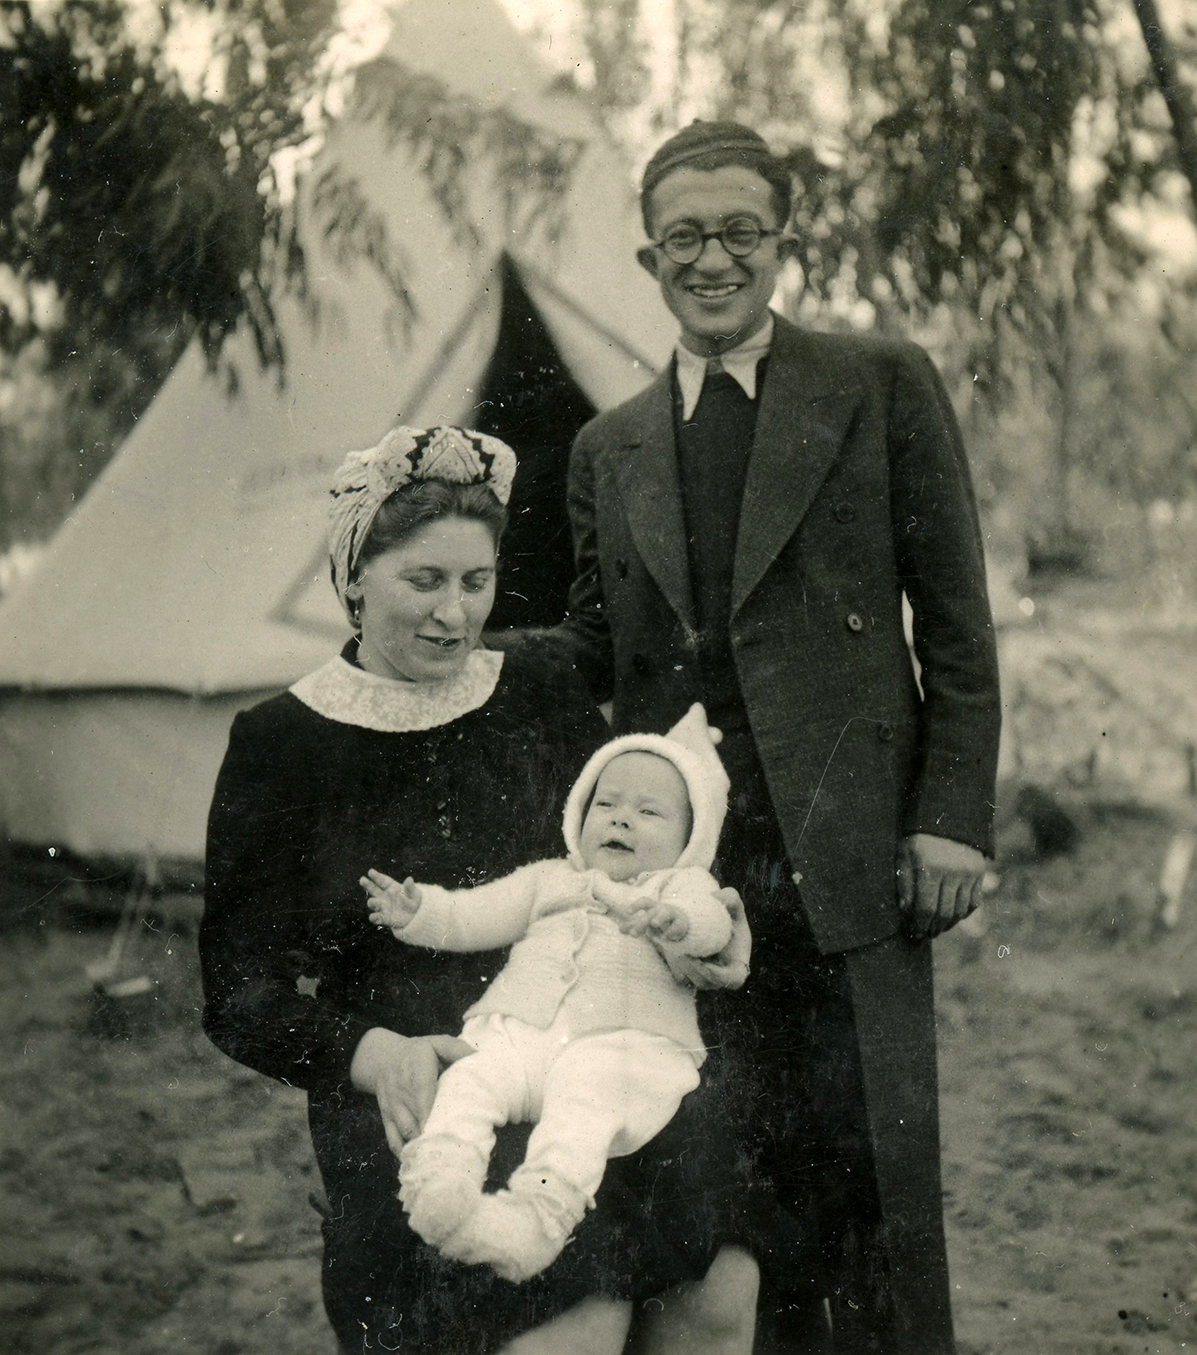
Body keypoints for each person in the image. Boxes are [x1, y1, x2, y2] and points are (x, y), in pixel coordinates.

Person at [508, 121, 1003, 1354]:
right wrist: (458, 652)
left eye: (741, 230)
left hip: (849, 852)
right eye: (685, 237)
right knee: (717, 1186)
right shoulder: (608, 446)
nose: (713, 258)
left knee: (867, 1182)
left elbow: (955, 621)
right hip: (687, 880)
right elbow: (594, 643)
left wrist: (951, 816)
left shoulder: (879, 384)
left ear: (784, 242)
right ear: (648, 257)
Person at [199, 424, 750, 1355]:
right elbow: (237, 996)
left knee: (720, 1287)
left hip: (593, 1051)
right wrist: (374, 1054)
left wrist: (703, 928)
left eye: (475, 582)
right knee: (576, 1321)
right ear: (354, 579)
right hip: (423, 1088)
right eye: (423, 581)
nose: (453, 615)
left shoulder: (535, 685)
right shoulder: (280, 743)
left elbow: (624, 858)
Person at [362, 704, 737, 1284]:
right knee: (470, 1077)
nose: (621, 819)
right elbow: (475, 914)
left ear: (692, 839)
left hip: (622, 1046)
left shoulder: (681, 884)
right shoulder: (549, 877)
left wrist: (679, 922)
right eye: (605, 804)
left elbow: (713, 924)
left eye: (648, 812)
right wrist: (421, 911)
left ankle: (534, 1220)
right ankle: (440, 1183)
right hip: (521, 1030)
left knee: (584, 1107)